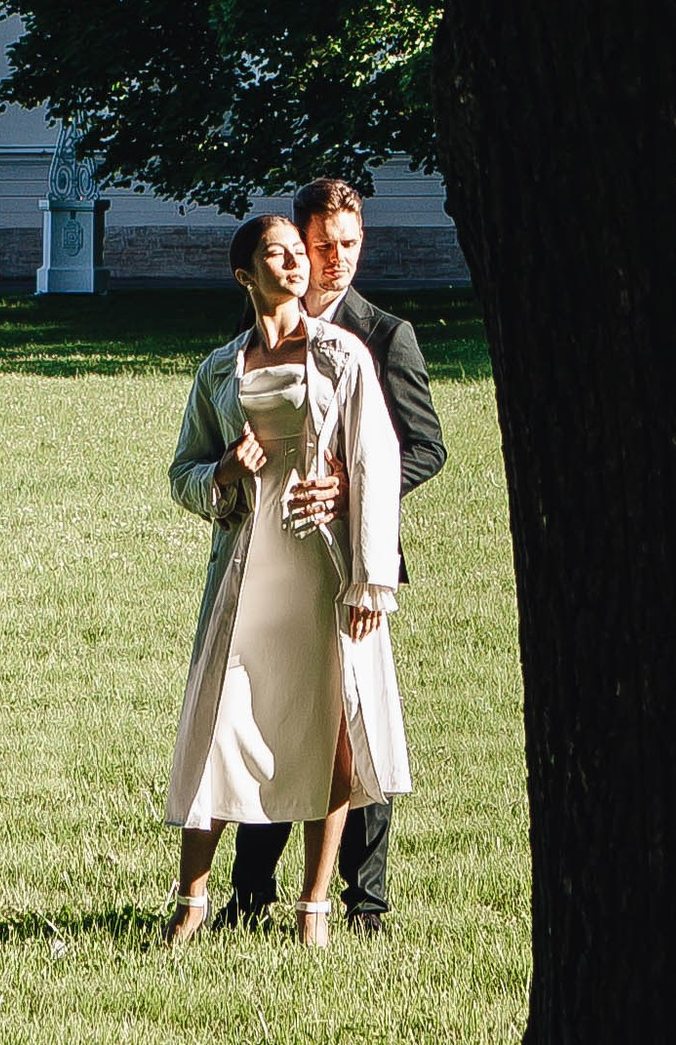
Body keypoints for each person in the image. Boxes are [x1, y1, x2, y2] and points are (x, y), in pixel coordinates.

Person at [164, 209, 410, 948]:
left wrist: (370, 581)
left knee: (328, 729)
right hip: (245, 569)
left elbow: (376, 461)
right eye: (277, 254)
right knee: (220, 725)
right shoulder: (217, 369)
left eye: (297, 252)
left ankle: (314, 909)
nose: (297, 262)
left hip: (321, 566)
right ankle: (191, 901)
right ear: (247, 275)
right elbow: (182, 472)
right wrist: (224, 473)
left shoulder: (343, 356)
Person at [224, 174, 447, 932]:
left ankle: (366, 904)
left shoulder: (385, 335)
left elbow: (425, 448)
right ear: (299, 242)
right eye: (324, 245)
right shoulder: (263, 335)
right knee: (272, 719)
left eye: (351, 244)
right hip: (275, 558)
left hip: (356, 561)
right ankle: (249, 895)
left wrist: (352, 487)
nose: (338, 259)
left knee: (357, 726)